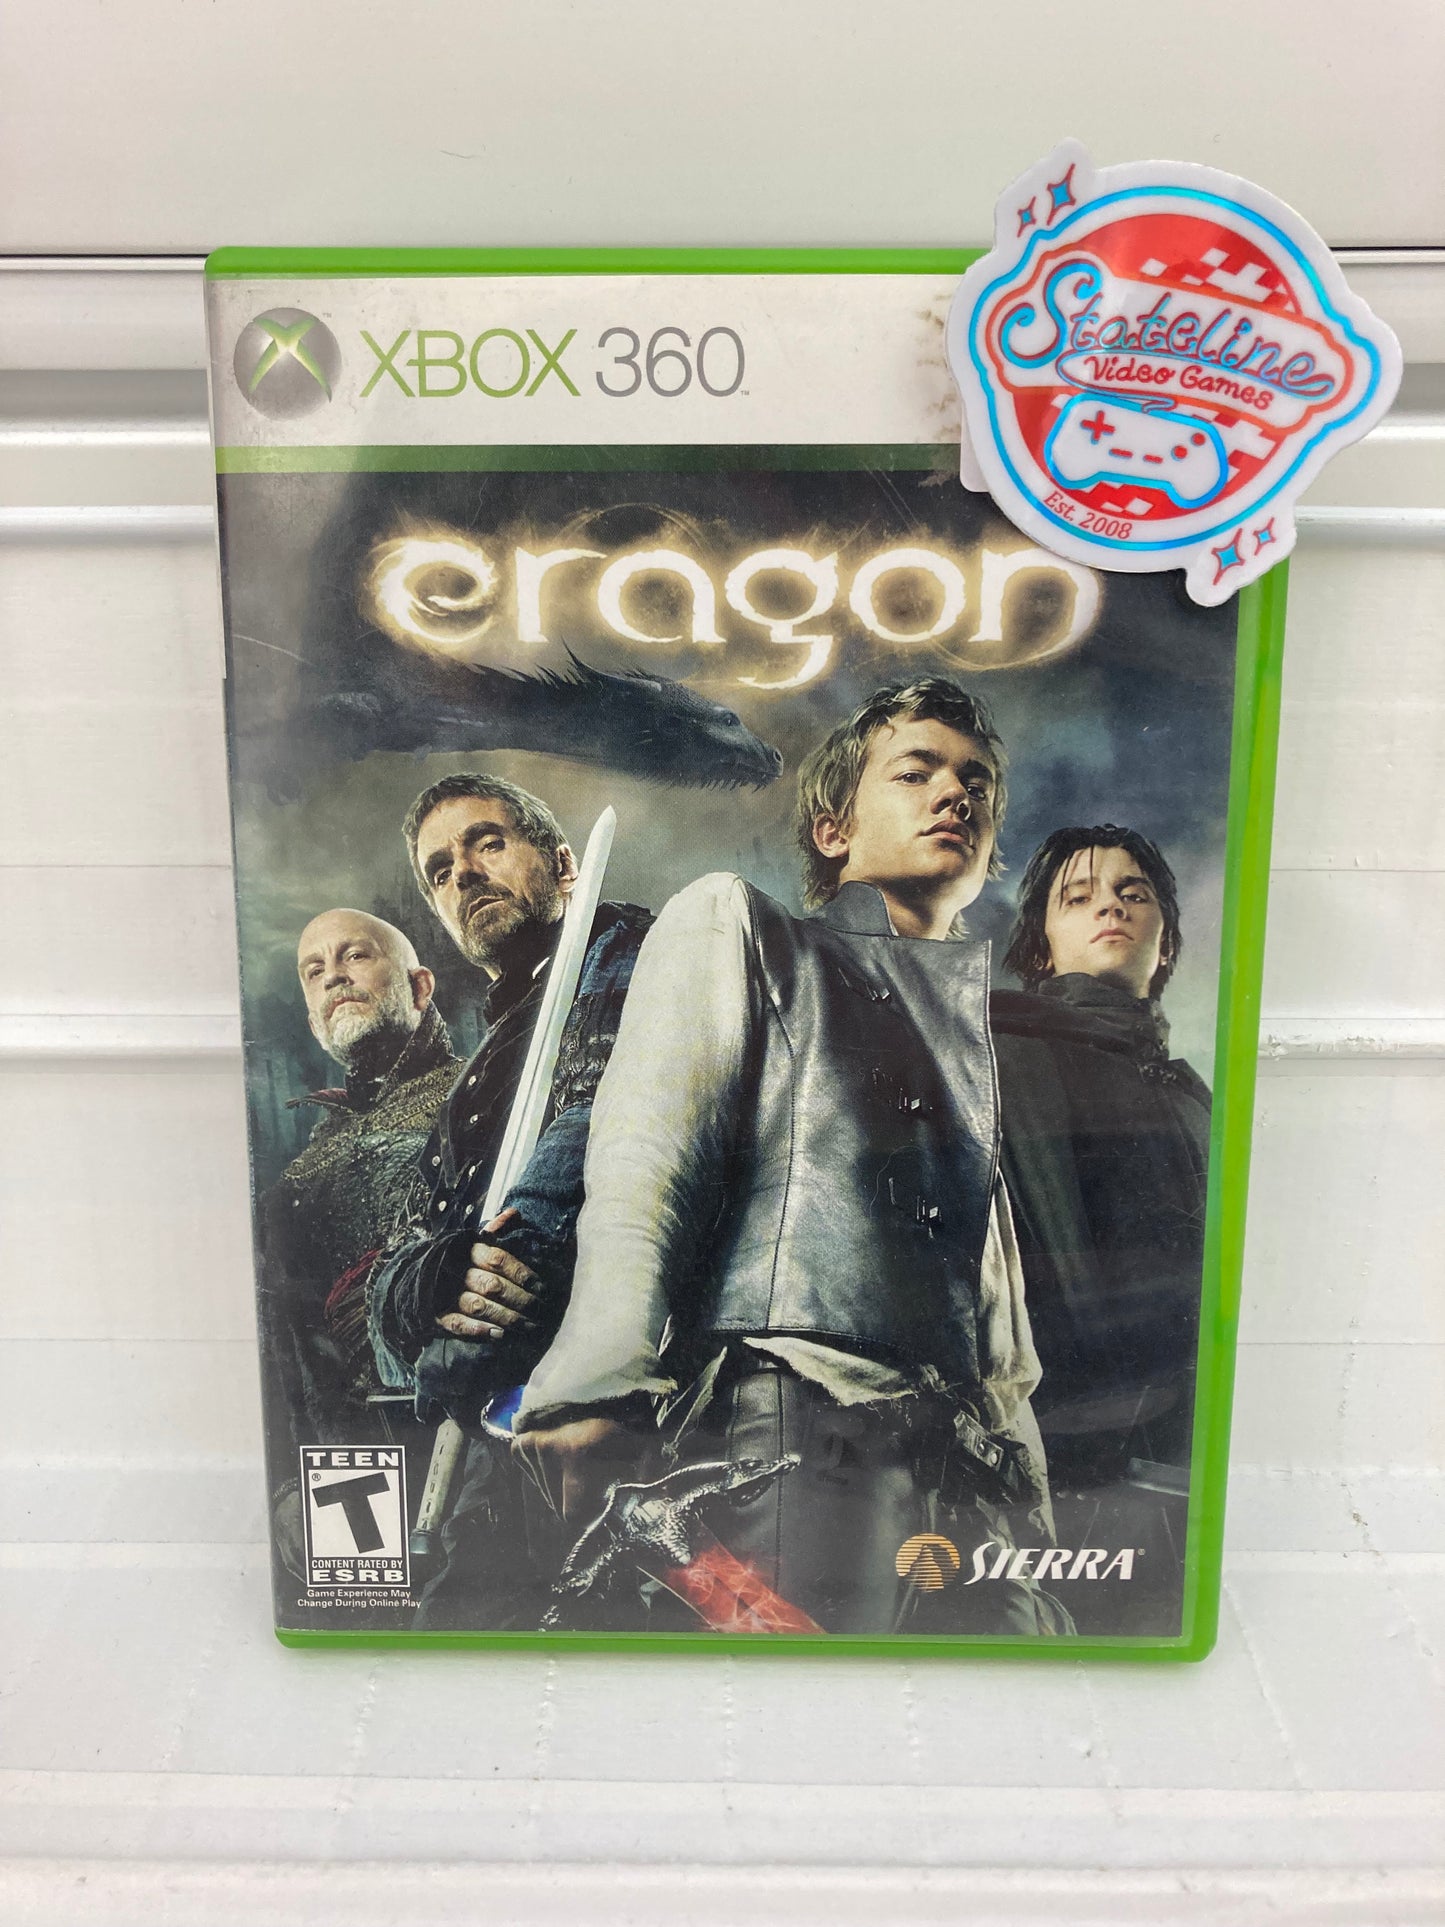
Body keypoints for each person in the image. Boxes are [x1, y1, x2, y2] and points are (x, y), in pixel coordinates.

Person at [517, 679, 1068, 1637]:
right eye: (916, 772)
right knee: (799, 1700)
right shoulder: (736, 923)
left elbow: (997, 1324)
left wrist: (1037, 1532)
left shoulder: (974, 1047)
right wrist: (595, 1378)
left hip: (968, 1476)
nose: (955, 793)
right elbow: (648, 1156)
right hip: (798, 1429)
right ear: (831, 830)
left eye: (975, 780)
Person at [368, 773, 651, 1627]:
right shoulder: (476, 1078)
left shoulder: (636, 956)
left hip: (610, 1411)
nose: (463, 872)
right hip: (488, 1451)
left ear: (564, 865)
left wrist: (510, 1259)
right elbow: (394, 1273)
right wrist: (430, 1286)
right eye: (439, 870)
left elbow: (606, 1117)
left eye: (487, 842)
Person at [992, 826, 1212, 1632]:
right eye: (1077, 897)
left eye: (1132, 892)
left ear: (1166, 941)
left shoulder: (1193, 1093)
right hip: (1072, 1466)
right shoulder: (1005, 1055)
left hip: (1181, 1459)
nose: (1109, 907)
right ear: (1040, 947)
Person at [255, 908, 460, 1580]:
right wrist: (288, 1483)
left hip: (469, 1422)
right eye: (314, 970)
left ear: (419, 987)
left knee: (478, 1603)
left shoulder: (485, 1093)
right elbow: (286, 1344)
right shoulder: (298, 1174)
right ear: (313, 1020)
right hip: (347, 1450)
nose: (333, 976)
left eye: (355, 955)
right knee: (368, 1610)